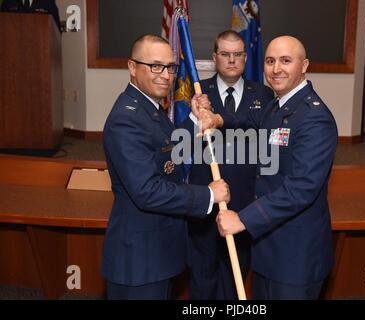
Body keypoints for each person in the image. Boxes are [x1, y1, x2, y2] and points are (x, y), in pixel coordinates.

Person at [195, 36, 338, 299]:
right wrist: (215, 118)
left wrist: (243, 219)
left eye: (286, 61)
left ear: (304, 65)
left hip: (296, 256)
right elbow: (248, 120)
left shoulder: (315, 118)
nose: (276, 69)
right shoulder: (277, 105)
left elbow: (301, 189)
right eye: (270, 61)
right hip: (268, 247)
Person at [101, 34, 230, 300]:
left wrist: (194, 119)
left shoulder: (149, 109)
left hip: (156, 254)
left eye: (170, 67)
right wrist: (207, 195)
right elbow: (147, 190)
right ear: (132, 68)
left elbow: (169, 153)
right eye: (155, 66)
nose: (166, 75)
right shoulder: (126, 119)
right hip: (139, 262)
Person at [183, 30, 273, 299]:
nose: (231, 60)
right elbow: (180, 145)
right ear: (214, 57)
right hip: (206, 199)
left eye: (237, 55)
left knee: (235, 276)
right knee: (202, 276)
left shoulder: (264, 94)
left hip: (245, 202)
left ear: (246, 58)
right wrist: (193, 113)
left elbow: (264, 136)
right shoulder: (199, 93)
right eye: (225, 54)